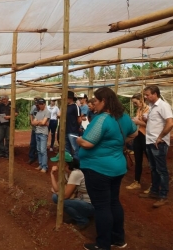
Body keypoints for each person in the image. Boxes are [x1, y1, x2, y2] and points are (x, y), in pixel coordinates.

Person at [77, 87, 137, 250]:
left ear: (104, 101)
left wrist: (79, 141)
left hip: (98, 169)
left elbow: (89, 143)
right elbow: (135, 133)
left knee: (102, 206)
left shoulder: (102, 118)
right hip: (117, 167)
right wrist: (118, 142)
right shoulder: (123, 117)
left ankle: (103, 244)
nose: (94, 105)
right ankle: (118, 239)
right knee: (113, 202)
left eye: (96, 101)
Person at [139, 85, 173, 208]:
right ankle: (154, 191)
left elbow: (170, 123)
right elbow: (153, 122)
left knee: (161, 169)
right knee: (153, 168)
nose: (146, 97)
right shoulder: (152, 107)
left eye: (147, 95)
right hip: (150, 141)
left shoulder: (163, 106)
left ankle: (163, 196)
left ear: (155, 94)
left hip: (158, 143)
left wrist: (161, 137)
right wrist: (146, 119)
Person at [50, 152, 94, 231]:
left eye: (58, 162)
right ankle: (77, 216)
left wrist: (57, 193)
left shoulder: (75, 173)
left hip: (90, 205)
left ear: (65, 163)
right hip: (81, 201)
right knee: (57, 197)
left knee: (56, 198)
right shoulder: (66, 173)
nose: (56, 164)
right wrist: (52, 174)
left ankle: (83, 220)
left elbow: (65, 196)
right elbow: (57, 189)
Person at [126, 93, 149, 190]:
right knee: (138, 159)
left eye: (136, 103)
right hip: (139, 135)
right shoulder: (140, 110)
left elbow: (151, 124)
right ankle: (137, 181)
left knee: (151, 161)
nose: (135, 105)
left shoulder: (149, 109)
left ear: (141, 100)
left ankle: (155, 185)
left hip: (147, 136)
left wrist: (137, 122)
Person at [31, 98, 51, 172]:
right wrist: (41, 122)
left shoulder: (47, 112)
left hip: (43, 133)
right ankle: (40, 164)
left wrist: (39, 122)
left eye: (40, 104)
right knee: (39, 150)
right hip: (37, 132)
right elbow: (33, 122)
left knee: (43, 150)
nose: (39, 106)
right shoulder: (39, 112)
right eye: (38, 104)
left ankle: (44, 167)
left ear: (44, 104)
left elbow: (43, 123)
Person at [63, 91, 81, 160]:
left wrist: (77, 127)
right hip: (66, 130)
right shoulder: (66, 107)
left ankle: (76, 165)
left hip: (73, 131)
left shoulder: (75, 106)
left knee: (75, 149)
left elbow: (79, 119)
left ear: (70, 98)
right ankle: (69, 165)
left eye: (66, 98)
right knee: (67, 149)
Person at [28, 97, 38, 164]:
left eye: (36, 100)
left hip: (40, 129)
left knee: (39, 144)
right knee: (32, 143)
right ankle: (31, 157)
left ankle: (37, 157)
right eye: (35, 100)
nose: (35, 101)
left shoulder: (43, 108)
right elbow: (31, 114)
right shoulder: (34, 107)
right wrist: (31, 121)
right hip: (34, 128)